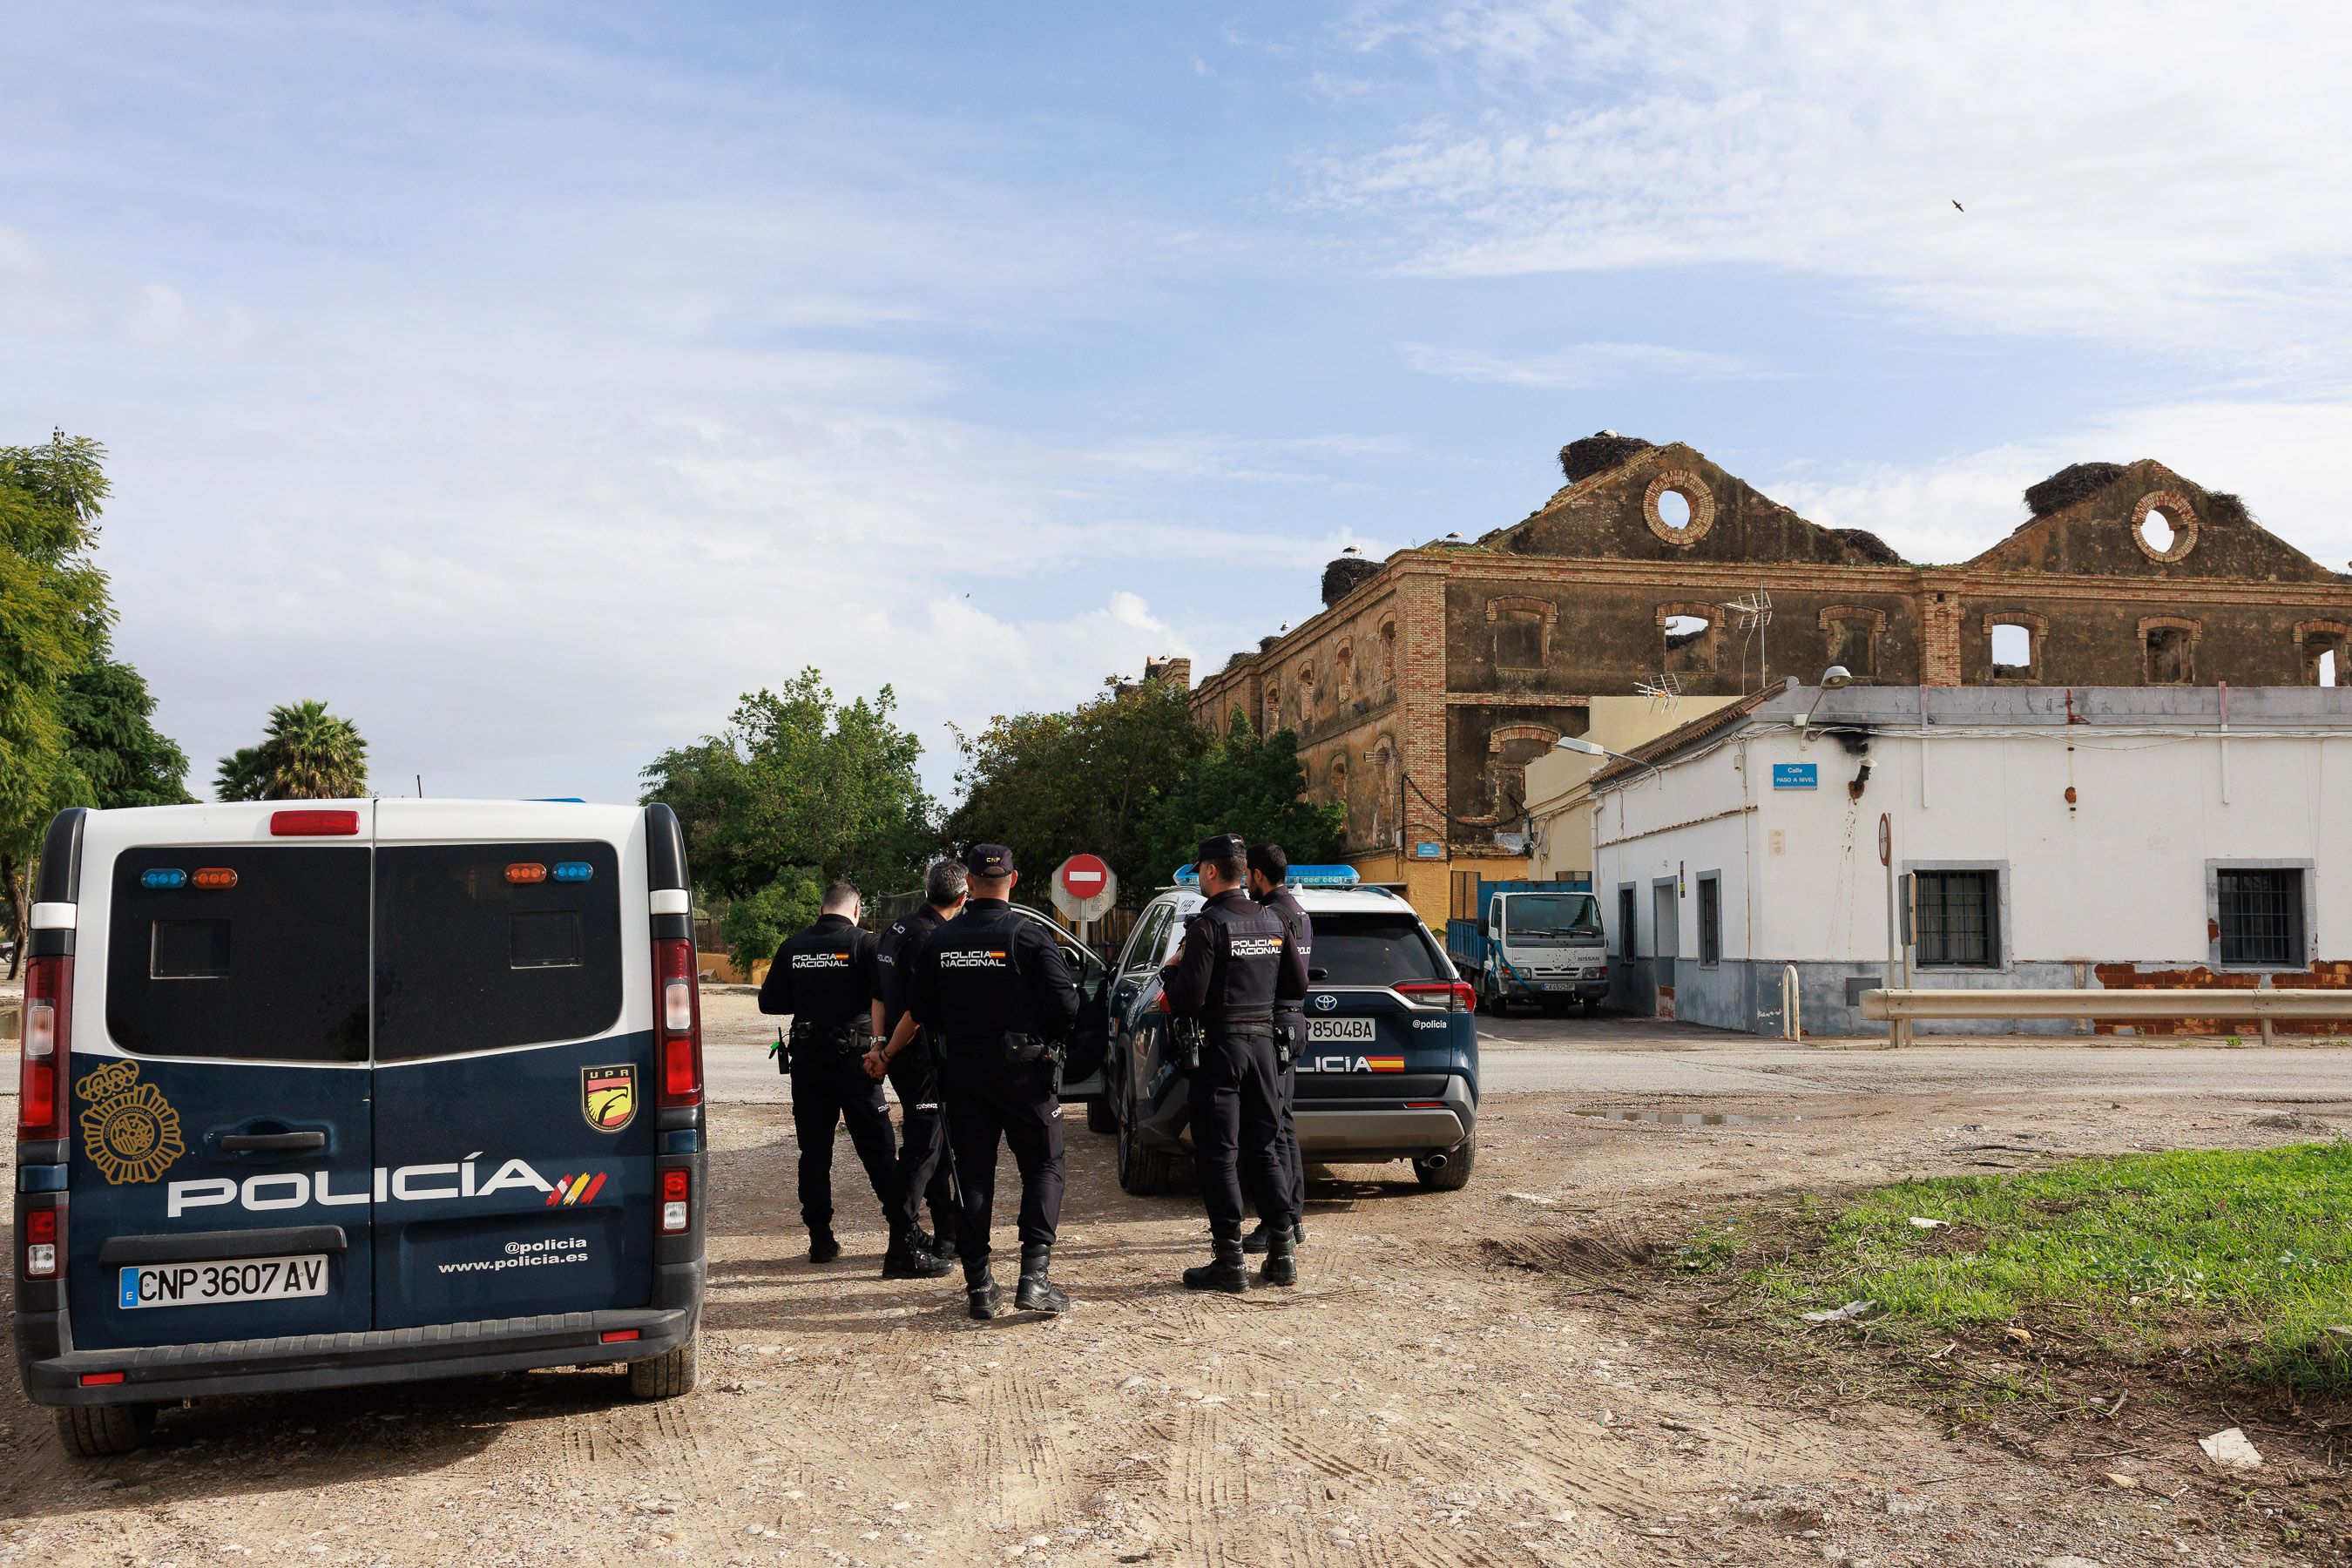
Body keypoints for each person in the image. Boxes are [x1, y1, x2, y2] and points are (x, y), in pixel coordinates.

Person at [874, 844, 1078, 1320]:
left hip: (961, 1074)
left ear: (968, 881)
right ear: (1014, 878)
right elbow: (1067, 1007)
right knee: (1045, 1166)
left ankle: (980, 1286)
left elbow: (921, 1011)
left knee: (972, 1175)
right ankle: (1035, 1278)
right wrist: (1043, 1039)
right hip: (1025, 1073)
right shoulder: (1029, 936)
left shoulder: (938, 942)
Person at [760, 880, 949, 1279]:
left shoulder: (793, 945)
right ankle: (906, 1232)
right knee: (879, 1151)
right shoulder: (866, 942)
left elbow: (769, 1002)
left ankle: (821, 1239)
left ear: (822, 907)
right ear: (857, 909)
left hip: (809, 1060)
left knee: (814, 1153)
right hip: (856, 1060)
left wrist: (810, 995)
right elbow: (885, 990)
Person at [1160, 833, 1307, 1293]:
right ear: (1243, 872)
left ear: (1209, 871)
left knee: (1219, 1154)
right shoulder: (1273, 919)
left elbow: (1188, 998)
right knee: (1264, 1148)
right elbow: (1296, 987)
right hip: (1264, 1047)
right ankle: (1282, 1254)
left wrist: (1170, 969)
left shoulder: (1208, 927)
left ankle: (1230, 1261)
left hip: (1221, 1048)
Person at [874, 858, 967, 1260]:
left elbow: (877, 994)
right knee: (923, 1148)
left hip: (900, 1052)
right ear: (963, 897)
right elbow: (916, 1013)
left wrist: (880, 1046)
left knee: (938, 1146)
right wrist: (889, 1052)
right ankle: (902, 1246)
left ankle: (947, 1232)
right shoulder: (932, 939)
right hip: (918, 1056)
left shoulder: (895, 930)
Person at [1245, 842, 1312, 1259]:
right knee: (1284, 1122)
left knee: (1272, 1126)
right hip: (1294, 1021)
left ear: (1256, 875)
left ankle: (1279, 1223)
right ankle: (1293, 1218)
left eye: (1249, 875)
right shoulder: (1300, 913)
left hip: (1274, 1023)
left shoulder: (1271, 916)